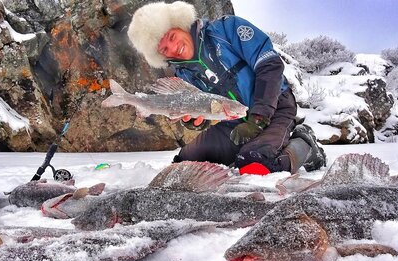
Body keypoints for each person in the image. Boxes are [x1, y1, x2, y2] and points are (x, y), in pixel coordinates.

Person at [127, 1, 326, 175]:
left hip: (275, 108)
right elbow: (204, 115)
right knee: (184, 165)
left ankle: (306, 146)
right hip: (234, 122)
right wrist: (194, 121)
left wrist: (258, 118)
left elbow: (270, 66)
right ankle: (244, 151)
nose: (173, 48)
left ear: (180, 25)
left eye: (171, 36)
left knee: (256, 165)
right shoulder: (182, 75)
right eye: (163, 49)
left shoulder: (227, 29)